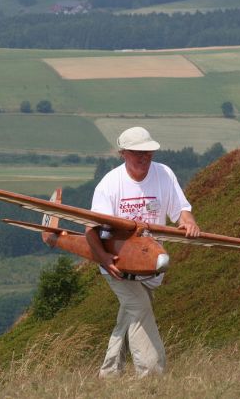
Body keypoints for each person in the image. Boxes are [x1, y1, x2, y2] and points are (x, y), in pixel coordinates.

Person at [86, 126, 200, 378]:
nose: (144, 157)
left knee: (129, 314)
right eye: (137, 152)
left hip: (150, 263)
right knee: (140, 308)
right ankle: (151, 375)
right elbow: (90, 231)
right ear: (123, 153)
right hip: (117, 265)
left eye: (148, 152)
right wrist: (104, 260)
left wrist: (188, 221)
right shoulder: (110, 184)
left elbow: (181, 208)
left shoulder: (164, 174)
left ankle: (109, 375)